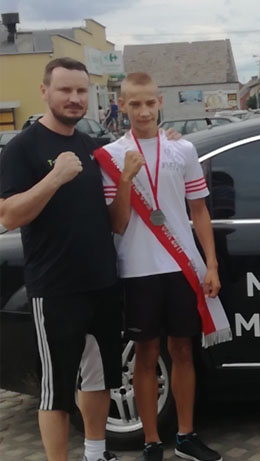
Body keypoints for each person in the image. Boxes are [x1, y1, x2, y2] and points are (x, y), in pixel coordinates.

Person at [96, 72, 231, 461]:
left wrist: (211, 266)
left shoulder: (183, 150)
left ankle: (186, 436)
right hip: (137, 269)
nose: (142, 111)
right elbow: (117, 223)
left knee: (184, 351)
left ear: (159, 103)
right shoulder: (111, 156)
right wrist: (125, 179)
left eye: (149, 102)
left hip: (181, 266)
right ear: (121, 105)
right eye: (133, 103)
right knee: (145, 354)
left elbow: (199, 211)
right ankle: (152, 442)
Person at [0, 58, 122, 461]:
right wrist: (53, 178)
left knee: (99, 377)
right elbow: (9, 215)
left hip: (102, 282)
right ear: (44, 91)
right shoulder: (23, 148)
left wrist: (167, 137)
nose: (74, 98)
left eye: (81, 91)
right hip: (55, 288)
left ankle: (95, 452)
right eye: (65, 90)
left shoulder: (93, 147)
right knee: (56, 388)